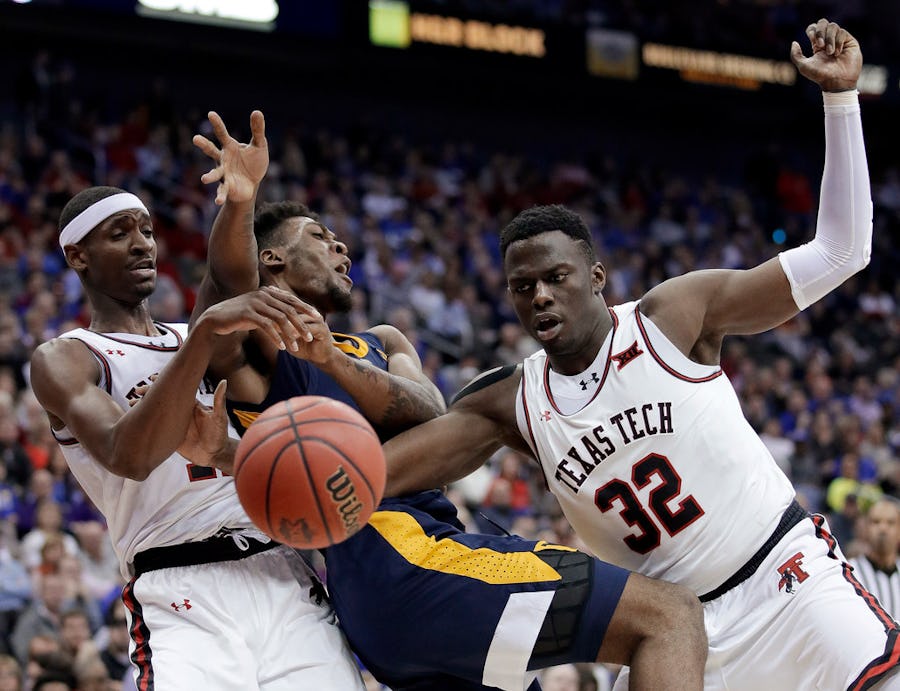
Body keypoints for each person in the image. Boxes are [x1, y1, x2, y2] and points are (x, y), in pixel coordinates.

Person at [380, 20, 900, 690]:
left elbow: (842, 251)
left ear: (596, 276)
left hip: (788, 583)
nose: (539, 295)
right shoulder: (512, 402)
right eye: (521, 286)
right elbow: (377, 474)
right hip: (676, 635)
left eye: (555, 277)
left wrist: (842, 102)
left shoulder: (672, 317)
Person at [184, 110, 708, 690]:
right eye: (319, 238)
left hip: (400, 600)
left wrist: (332, 361)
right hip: (405, 561)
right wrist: (241, 202)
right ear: (273, 261)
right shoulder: (265, 337)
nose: (340, 248)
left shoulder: (381, 341)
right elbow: (230, 281)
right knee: (668, 616)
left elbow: (433, 414)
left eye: (338, 241)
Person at [28, 186, 366, 689]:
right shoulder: (69, 356)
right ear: (78, 256)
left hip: (276, 567)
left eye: (146, 230)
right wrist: (204, 336)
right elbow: (129, 455)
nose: (143, 244)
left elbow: (229, 277)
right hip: (177, 585)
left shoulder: (196, 335)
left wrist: (240, 199)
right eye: (119, 234)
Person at [849, 498, 900, 620]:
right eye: (876, 522)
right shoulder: (850, 572)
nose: (883, 529)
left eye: (890, 523)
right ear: (866, 528)